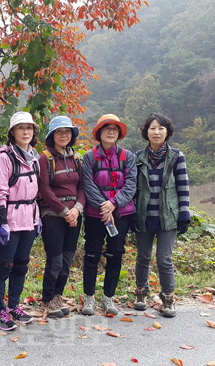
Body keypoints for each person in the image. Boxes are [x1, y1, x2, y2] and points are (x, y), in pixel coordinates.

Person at [132, 113, 190, 318]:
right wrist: (131, 212)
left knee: (164, 259)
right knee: (143, 257)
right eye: (152, 128)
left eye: (161, 128)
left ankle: (168, 298)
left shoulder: (176, 156)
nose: (156, 132)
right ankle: (141, 293)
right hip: (144, 216)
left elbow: (183, 186)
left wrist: (184, 212)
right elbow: (133, 188)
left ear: (167, 132)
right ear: (146, 132)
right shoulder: (138, 157)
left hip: (169, 216)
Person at [81, 114, 137, 316]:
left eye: (115, 128)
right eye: (107, 128)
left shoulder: (127, 156)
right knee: (92, 254)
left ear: (119, 133)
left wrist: (114, 204)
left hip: (121, 215)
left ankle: (108, 297)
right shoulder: (89, 157)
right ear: (99, 133)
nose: (111, 132)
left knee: (115, 254)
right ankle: (89, 297)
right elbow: (88, 185)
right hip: (96, 216)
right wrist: (104, 207)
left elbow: (131, 185)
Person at [0, 111, 41, 330]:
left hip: (29, 218)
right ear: (12, 132)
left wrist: (37, 219)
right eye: (21, 128)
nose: (26, 132)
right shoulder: (5, 157)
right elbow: (0, 191)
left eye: (29, 128)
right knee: (4, 266)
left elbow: (35, 192)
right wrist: (2, 222)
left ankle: (13, 306)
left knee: (21, 265)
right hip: (9, 220)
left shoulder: (34, 157)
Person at [37, 116, 85, 318]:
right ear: (52, 135)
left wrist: (77, 209)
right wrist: (65, 212)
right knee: (55, 259)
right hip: (53, 215)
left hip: (75, 214)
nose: (64, 135)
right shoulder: (45, 158)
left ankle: (58, 295)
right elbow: (44, 189)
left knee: (66, 259)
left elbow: (82, 187)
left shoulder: (75, 159)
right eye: (59, 132)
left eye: (67, 132)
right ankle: (48, 299)